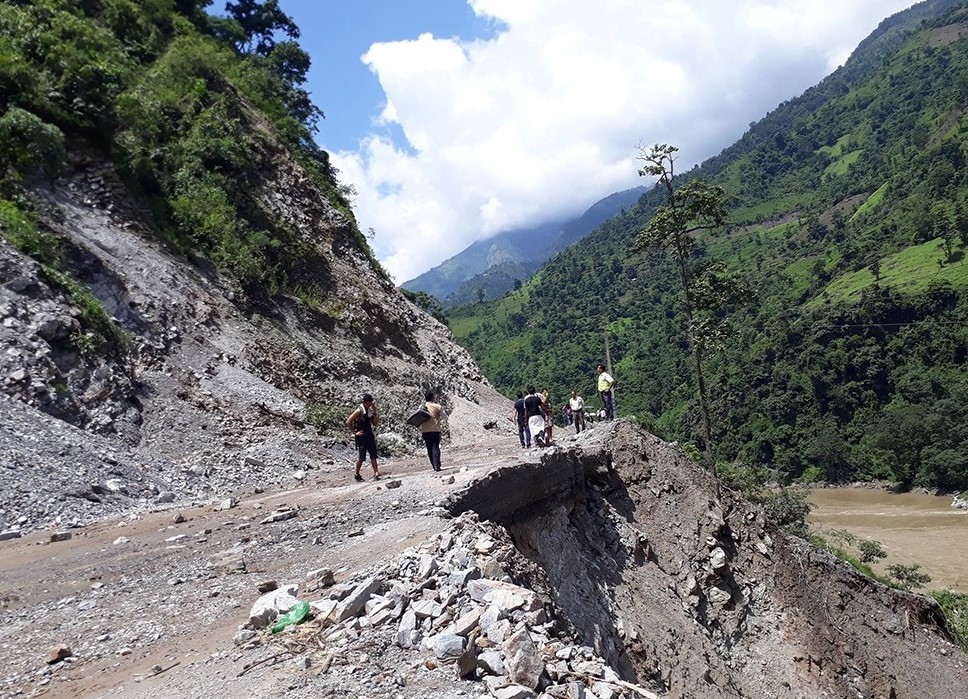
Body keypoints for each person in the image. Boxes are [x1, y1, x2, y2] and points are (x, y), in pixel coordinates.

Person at [346, 393, 380, 481]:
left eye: (370, 404)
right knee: (361, 457)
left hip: (369, 435)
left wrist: (375, 413)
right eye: (367, 404)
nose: (369, 405)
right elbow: (348, 421)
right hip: (361, 436)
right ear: (364, 402)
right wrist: (355, 433)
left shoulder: (370, 411)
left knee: (373, 455)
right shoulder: (359, 411)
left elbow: (375, 423)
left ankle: (376, 473)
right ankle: (357, 474)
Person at [421, 391, 446, 471]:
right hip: (435, 430)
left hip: (425, 431)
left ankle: (433, 465)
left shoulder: (422, 406)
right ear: (432, 397)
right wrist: (438, 419)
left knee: (429, 448)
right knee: (435, 447)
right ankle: (437, 465)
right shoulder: (437, 406)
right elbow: (445, 417)